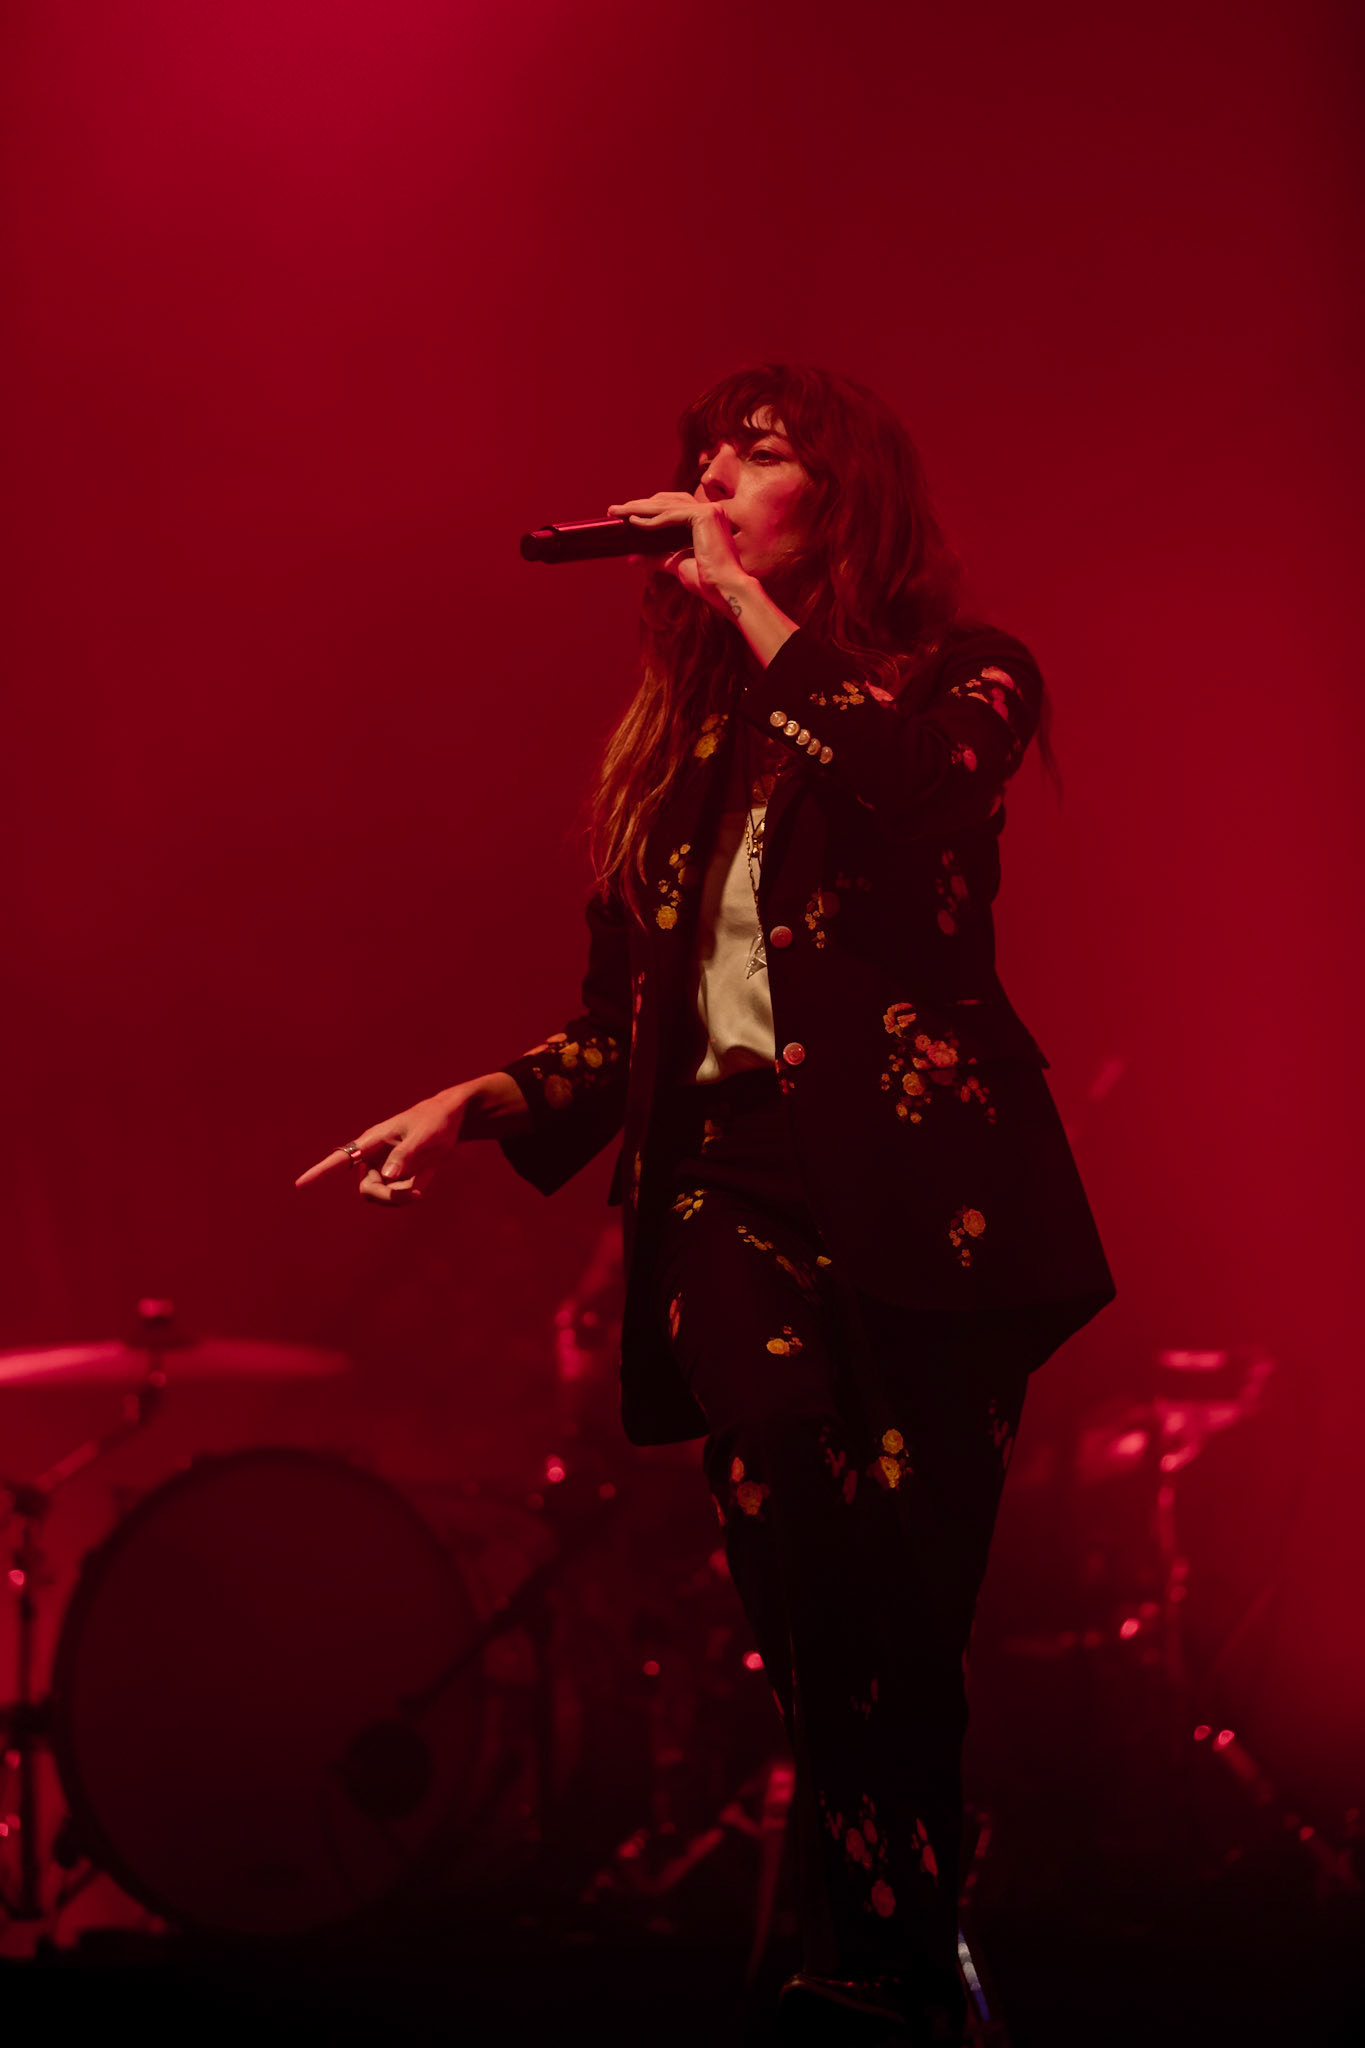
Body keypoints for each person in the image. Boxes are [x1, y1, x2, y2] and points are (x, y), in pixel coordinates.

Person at [297, 364, 1114, 2045]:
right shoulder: (674, 762)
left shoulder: (971, 678)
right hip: (729, 1204)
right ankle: (865, 1972)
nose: (716, 484)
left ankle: (898, 1952)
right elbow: (626, 1028)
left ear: (847, 499)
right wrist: (485, 1099)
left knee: (902, 1609)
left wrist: (738, 598)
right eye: (703, 464)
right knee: (807, 1582)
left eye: (759, 459)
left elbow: (904, 784)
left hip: (926, 1207)